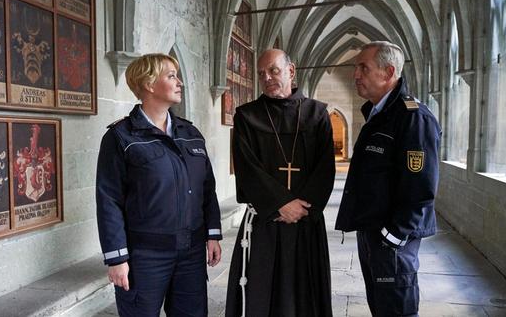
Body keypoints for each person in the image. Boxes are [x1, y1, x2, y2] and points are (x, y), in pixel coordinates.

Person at [96, 53, 223, 317]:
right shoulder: (120, 137)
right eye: (171, 76)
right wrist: (117, 258)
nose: (180, 83)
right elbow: (109, 200)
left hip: (191, 253)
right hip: (145, 256)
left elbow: (206, 189)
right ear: (149, 84)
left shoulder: (190, 134)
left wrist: (212, 234)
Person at [225, 49, 335, 317]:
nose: (268, 77)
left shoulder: (318, 114)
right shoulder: (246, 116)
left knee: (305, 295)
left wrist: (300, 207)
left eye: (273, 70)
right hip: (266, 223)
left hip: (305, 223)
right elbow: (247, 167)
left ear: (291, 71)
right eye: (262, 74)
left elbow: (325, 168)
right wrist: (280, 204)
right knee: (263, 295)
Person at [336, 41, 441, 317]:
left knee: (397, 310)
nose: (355, 75)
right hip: (373, 233)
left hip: (392, 240)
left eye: (363, 68)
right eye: (356, 68)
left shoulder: (413, 118)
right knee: (381, 307)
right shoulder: (378, 114)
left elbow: (421, 186)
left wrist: (393, 236)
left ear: (388, 72)